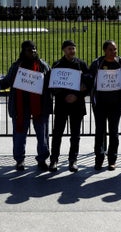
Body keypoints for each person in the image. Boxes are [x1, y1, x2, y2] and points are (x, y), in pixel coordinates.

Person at [0, 40, 52, 171]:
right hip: (20, 106)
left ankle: (42, 159)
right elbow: (6, 82)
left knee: (43, 135)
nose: (33, 51)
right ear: (23, 51)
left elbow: (52, 82)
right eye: (29, 49)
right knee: (19, 135)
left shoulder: (42, 65)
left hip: (39, 106)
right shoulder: (17, 66)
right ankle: (19, 160)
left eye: (34, 49)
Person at [48, 40, 90, 173]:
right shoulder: (57, 65)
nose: (72, 51)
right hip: (62, 104)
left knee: (75, 134)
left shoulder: (81, 64)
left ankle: (73, 160)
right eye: (69, 49)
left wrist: (77, 95)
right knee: (57, 133)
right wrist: (64, 96)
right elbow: (53, 85)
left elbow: (89, 83)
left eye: (73, 48)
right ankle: (54, 159)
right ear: (63, 50)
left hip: (77, 104)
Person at [89, 40, 121, 170]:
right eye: (110, 50)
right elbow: (90, 78)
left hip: (116, 104)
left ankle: (112, 160)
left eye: (115, 49)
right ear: (104, 50)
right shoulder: (97, 63)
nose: (113, 52)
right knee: (99, 131)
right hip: (100, 104)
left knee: (114, 132)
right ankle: (99, 159)